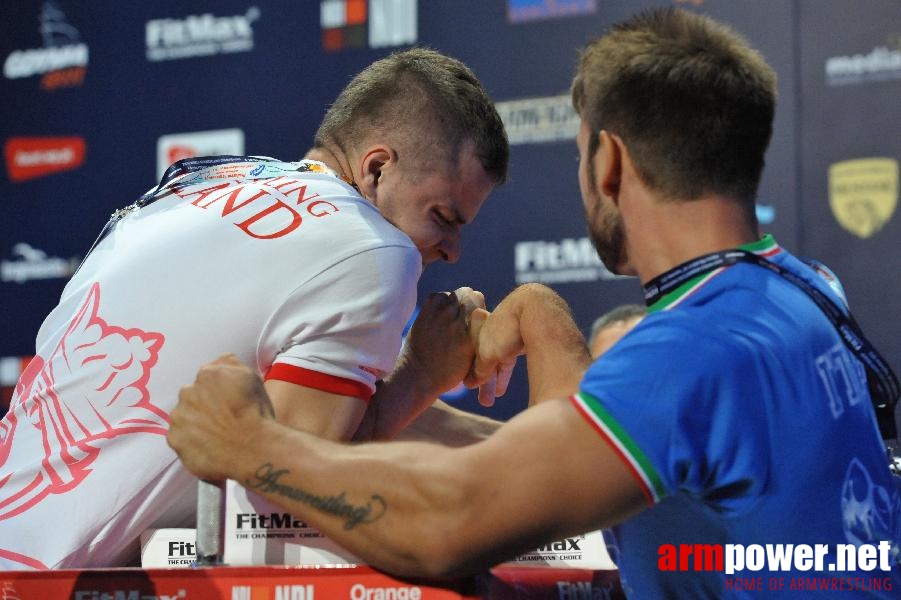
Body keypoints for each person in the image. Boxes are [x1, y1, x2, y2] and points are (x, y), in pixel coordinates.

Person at [168, 8, 901, 598]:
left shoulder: (691, 353)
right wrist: (537, 317)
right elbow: (578, 471)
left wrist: (254, 446)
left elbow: (455, 520)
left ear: (608, 161)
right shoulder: (802, 289)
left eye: (580, 154)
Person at [0, 48, 509, 570]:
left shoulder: (205, 183)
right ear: (376, 168)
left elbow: (310, 409)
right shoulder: (373, 248)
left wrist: (530, 446)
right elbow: (287, 485)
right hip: (43, 581)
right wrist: (424, 371)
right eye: (444, 216)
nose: (453, 250)